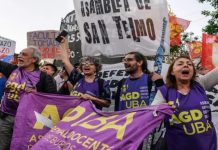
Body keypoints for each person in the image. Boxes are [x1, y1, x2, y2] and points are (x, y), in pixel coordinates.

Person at [152, 55, 217, 150]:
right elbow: (152, 112)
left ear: (193, 72)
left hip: (207, 145)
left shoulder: (200, 83)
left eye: (189, 64)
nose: (186, 65)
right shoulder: (164, 91)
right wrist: (159, 109)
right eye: (180, 64)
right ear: (172, 71)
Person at [0, 46, 57, 149]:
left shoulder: (44, 77)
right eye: (20, 54)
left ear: (34, 59)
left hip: (28, 121)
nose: (20, 56)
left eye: (24, 54)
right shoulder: (12, 69)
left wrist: (37, 94)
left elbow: (53, 100)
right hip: (6, 117)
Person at [60, 42, 111, 110]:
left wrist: (92, 98)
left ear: (96, 68)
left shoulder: (101, 83)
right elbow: (65, 62)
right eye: (84, 64)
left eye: (91, 64)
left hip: (90, 118)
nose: (86, 65)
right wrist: (63, 43)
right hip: (74, 115)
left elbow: (107, 104)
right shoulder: (77, 78)